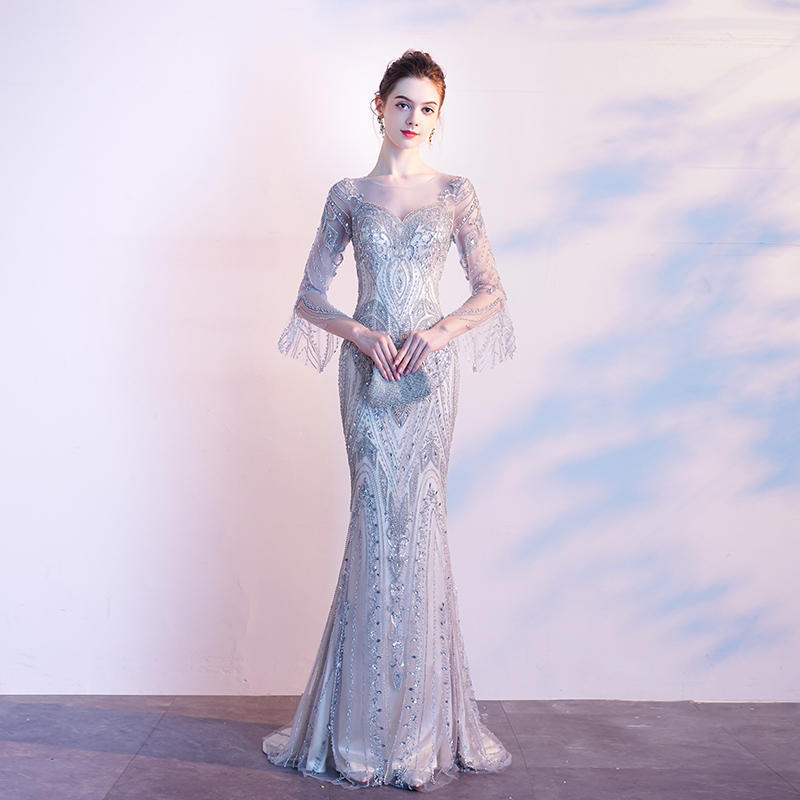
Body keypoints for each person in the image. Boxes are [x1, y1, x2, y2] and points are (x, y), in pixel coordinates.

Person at [263, 48, 516, 791]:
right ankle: (360, 729)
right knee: (374, 525)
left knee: (423, 523)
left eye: (427, 108)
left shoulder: (457, 192)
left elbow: (491, 290)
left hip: (428, 379)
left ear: (439, 117)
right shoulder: (348, 194)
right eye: (402, 103)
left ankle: (421, 729)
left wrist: (437, 333)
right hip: (368, 375)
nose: (414, 118)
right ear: (379, 106)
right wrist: (360, 333)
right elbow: (309, 296)